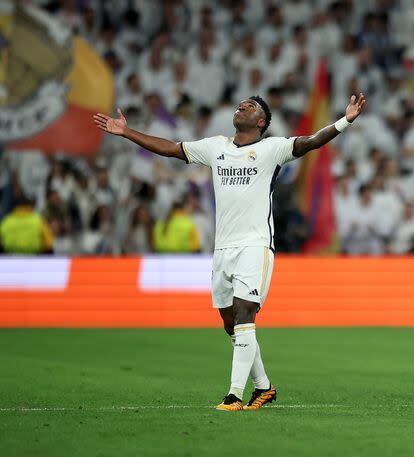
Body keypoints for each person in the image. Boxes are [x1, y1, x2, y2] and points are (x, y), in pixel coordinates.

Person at [93, 93, 366, 411]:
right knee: (229, 321)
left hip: (255, 244)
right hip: (223, 247)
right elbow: (171, 148)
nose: (242, 107)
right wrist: (128, 132)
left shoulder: (270, 149)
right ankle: (264, 387)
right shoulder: (215, 147)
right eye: (241, 104)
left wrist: (344, 120)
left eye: (250, 107)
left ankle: (234, 395)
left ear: (261, 121)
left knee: (245, 313)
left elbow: (311, 141)